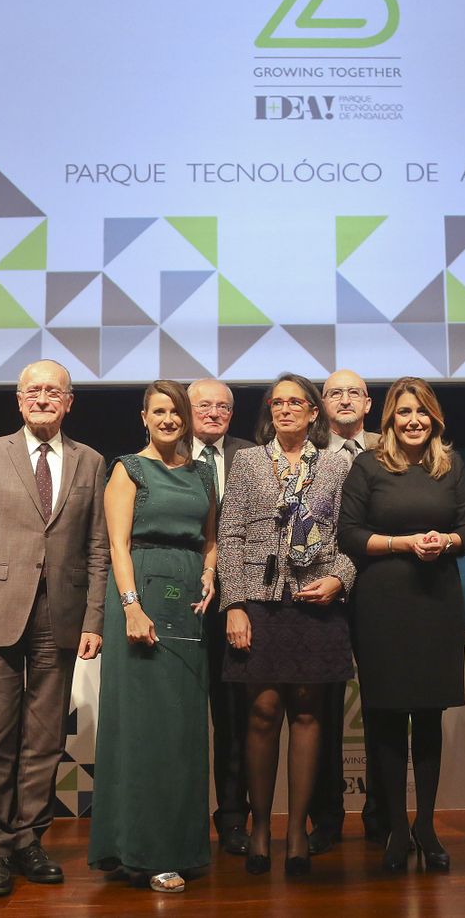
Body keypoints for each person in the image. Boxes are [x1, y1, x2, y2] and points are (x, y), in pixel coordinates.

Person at [0, 360, 108, 898]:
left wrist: (93, 619)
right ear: (19, 401)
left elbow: (97, 548)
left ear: (69, 402)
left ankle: (27, 840)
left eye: (53, 391)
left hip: (59, 619)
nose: (43, 398)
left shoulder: (90, 462)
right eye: (33, 390)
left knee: (43, 742)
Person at [218, 372, 357, 877]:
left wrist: (339, 580)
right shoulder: (250, 461)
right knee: (262, 712)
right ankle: (260, 827)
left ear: (314, 411)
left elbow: (352, 536)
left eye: (296, 402)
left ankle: (298, 829)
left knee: (307, 712)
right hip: (259, 602)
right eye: (277, 403)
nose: (285, 410)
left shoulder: (338, 465)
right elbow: (229, 532)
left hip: (315, 601)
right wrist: (234, 602)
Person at [337, 376, 465, 873]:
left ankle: (427, 826)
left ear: (433, 418)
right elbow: (349, 534)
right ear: (389, 418)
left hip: (435, 602)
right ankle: (396, 827)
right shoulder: (368, 465)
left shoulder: (450, 464)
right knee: (387, 721)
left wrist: (445, 544)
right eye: (403, 412)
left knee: (429, 719)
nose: (413, 421)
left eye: (421, 412)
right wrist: (403, 543)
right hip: (382, 604)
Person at [89, 381, 218, 893]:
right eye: (159, 411)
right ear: (144, 416)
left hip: (188, 601)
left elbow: (210, 540)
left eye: (176, 412)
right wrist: (130, 607)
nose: (168, 419)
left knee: (182, 730)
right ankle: (143, 850)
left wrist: (210, 573)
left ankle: (181, 845)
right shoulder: (128, 468)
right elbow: (117, 544)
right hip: (138, 598)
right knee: (144, 730)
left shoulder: (202, 472)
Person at [310, 367, 383, 854]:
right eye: (334, 393)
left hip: (383, 592)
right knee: (321, 709)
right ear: (322, 403)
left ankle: (382, 815)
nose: (344, 400)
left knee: (383, 704)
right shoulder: (305, 452)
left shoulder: (393, 445)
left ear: (368, 403)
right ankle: (326, 817)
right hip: (322, 595)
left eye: (353, 392)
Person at [188, 377, 255, 857]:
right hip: (180, 601)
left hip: (241, 606)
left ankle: (233, 818)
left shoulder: (253, 456)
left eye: (222, 407)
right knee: (182, 719)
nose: (213, 413)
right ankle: (180, 818)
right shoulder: (161, 452)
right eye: (203, 405)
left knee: (235, 720)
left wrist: (239, 601)